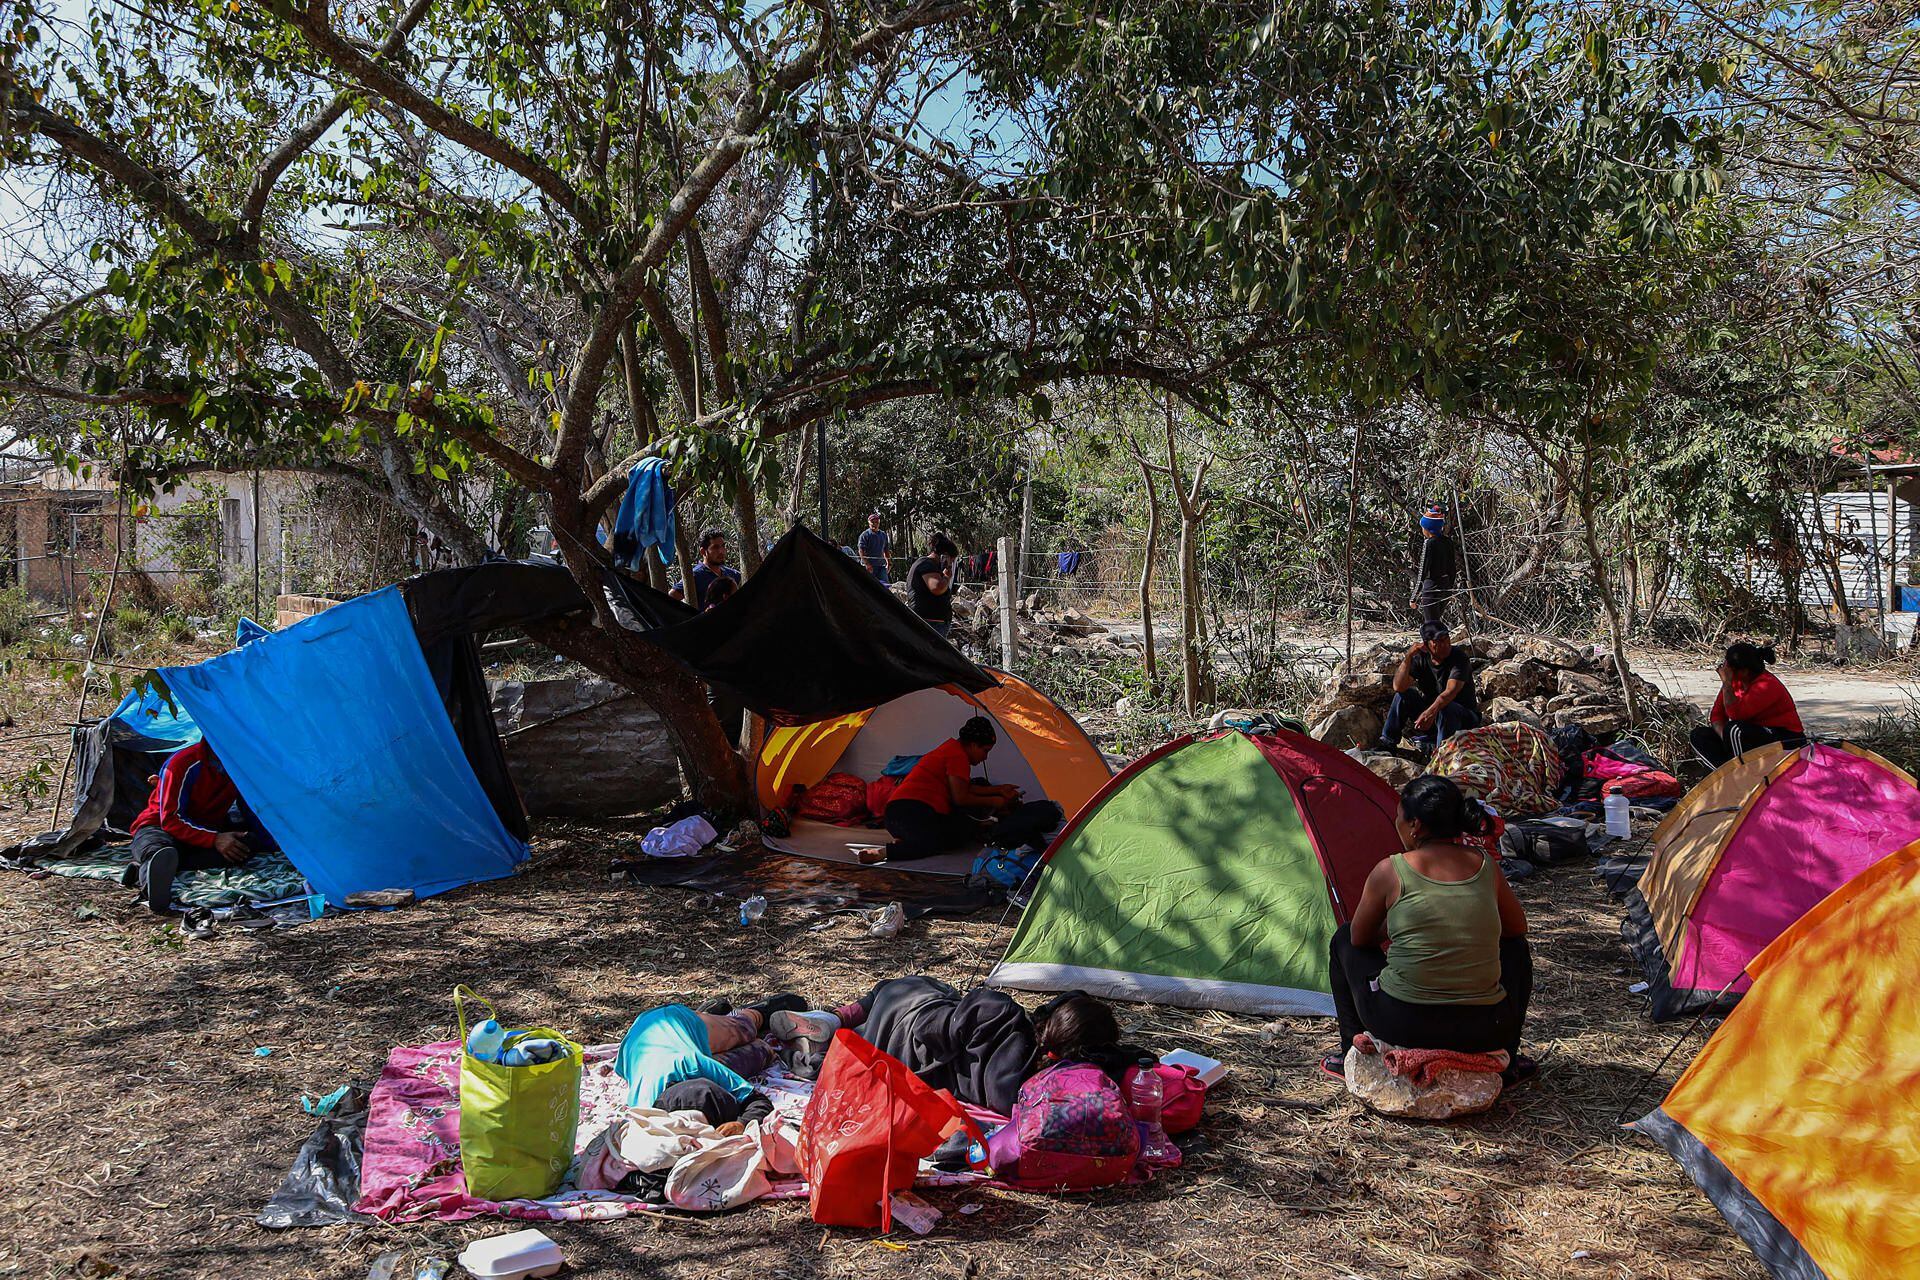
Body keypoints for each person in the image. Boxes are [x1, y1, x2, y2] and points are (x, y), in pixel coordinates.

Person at [1324, 775, 1535, 1084]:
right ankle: (1510, 1059)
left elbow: (1359, 938)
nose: (1395, 823)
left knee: (1343, 938)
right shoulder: (1484, 864)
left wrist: (1396, 923)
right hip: (1486, 1028)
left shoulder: (1390, 870)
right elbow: (1516, 928)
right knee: (1516, 948)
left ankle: (1348, 1052)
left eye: (1398, 817)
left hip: (1402, 1024)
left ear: (1415, 826)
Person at [770, 981, 1139, 1113]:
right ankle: (826, 1032)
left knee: (905, 988)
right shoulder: (1026, 1091)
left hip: (904, 1028)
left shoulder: (1004, 1017)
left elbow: (932, 1027)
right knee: (869, 1029)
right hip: (897, 1060)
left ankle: (836, 1018)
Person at [614, 993, 808, 1131]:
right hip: (639, 1040)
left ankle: (754, 1013)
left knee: (745, 1030)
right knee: (759, 1052)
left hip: (673, 1020)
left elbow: (755, 1099)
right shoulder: (646, 1110)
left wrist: (741, 1123)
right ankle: (714, 1015)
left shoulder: (694, 1064)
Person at [881, 716, 1063, 860]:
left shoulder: (951, 749)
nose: (985, 757)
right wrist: (996, 801)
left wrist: (999, 789)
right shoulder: (957, 756)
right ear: (974, 744)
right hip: (910, 812)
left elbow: (966, 788)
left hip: (898, 815)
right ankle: (884, 853)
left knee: (962, 829)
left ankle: (908, 839)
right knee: (941, 842)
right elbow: (960, 797)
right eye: (985, 751)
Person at [127, 740, 274, 914]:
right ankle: (153, 882)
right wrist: (214, 839)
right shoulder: (183, 763)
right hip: (160, 826)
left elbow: (251, 808)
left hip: (207, 830)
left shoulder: (240, 763)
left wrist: (274, 844)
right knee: (156, 847)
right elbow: (170, 819)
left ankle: (152, 868)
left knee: (246, 844)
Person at [1691, 641, 1805, 767]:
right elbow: (1717, 716)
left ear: (1744, 671)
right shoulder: (1735, 683)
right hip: (1750, 737)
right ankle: (1724, 775)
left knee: (1735, 729)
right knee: (1699, 735)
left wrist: (1727, 684)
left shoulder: (1767, 685)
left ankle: (1742, 773)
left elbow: (1737, 715)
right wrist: (1725, 739)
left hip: (1786, 739)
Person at [1379, 621, 1481, 753]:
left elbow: (1451, 691)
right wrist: (1408, 657)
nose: (1445, 645)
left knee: (1446, 708)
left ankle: (1442, 755)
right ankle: (1387, 743)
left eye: (1446, 639)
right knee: (1404, 695)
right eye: (1438, 642)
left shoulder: (1459, 658)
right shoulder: (1421, 658)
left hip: (1462, 718)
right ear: (1427, 645)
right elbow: (1398, 686)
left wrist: (1431, 712)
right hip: (1434, 717)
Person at [1410, 504, 1460, 626]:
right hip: (1445, 588)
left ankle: (1436, 645)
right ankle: (1440, 644)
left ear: (1428, 528)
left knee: (1431, 626)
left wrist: (1414, 597)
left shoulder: (1429, 544)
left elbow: (1423, 571)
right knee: (1436, 622)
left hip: (1431, 589)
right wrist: (1450, 589)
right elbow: (1452, 569)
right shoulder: (1447, 542)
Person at [669, 527, 740, 605]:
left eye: (723, 546)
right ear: (703, 551)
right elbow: (671, 597)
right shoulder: (695, 576)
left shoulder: (733, 575)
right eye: (715, 547)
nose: (721, 551)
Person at [907, 532, 959, 637]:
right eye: (951, 561)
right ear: (944, 556)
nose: (951, 564)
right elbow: (937, 588)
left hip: (935, 623)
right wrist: (946, 576)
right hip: (930, 624)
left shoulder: (932, 566)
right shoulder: (926, 564)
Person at [857, 512, 891, 584]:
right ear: (869, 523)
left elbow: (886, 550)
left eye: (876, 522)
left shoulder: (883, 535)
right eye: (872, 522)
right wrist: (867, 564)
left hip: (881, 566)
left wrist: (889, 563)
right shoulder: (864, 535)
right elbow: (861, 551)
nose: (874, 524)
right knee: (869, 586)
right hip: (869, 567)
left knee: (885, 585)